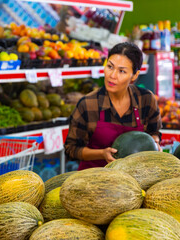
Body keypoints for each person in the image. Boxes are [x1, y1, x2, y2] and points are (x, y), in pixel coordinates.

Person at [64, 42, 162, 171]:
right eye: (110, 67)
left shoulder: (145, 99)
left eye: (122, 71)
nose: (112, 75)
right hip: (93, 180)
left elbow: (154, 132)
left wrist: (154, 143)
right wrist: (102, 154)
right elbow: (71, 149)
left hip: (134, 178)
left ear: (135, 75)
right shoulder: (88, 104)